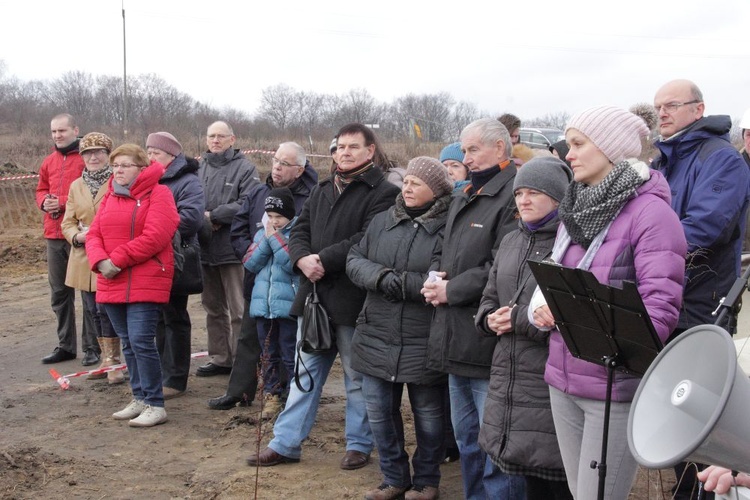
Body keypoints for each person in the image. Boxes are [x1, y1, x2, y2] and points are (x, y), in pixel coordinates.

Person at [529, 105, 687, 499]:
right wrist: (547, 306)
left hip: (612, 388)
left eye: (579, 144)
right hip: (562, 378)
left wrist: (596, 326)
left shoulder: (652, 215)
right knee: (577, 489)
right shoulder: (575, 208)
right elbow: (559, 276)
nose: (569, 154)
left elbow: (660, 310)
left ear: (610, 148)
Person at [246, 123, 399, 470]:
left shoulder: (384, 192)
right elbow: (300, 227)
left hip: (353, 301)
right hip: (314, 297)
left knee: (357, 379)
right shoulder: (323, 188)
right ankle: (285, 443)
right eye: (339, 147)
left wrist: (323, 261)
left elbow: (367, 239)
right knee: (304, 374)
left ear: (370, 150)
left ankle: (359, 444)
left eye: (352, 147)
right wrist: (300, 258)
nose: (343, 153)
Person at [651, 80, 750, 499]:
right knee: (667, 402)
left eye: (672, 105)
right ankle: (685, 485)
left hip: (700, 300)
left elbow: (705, 228)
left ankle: (706, 489)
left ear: (699, 109)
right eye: (658, 107)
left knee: (699, 405)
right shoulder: (661, 159)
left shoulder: (722, 159)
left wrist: (648, 257)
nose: (662, 113)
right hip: (660, 294)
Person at [421, 118, 523, 500]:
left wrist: (452, 290)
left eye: (472, 150)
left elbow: (504, 265)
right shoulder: (465, 193)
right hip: (453, 338)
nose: (465, 157)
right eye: (463, 150)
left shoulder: (515, 194)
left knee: (494, 442)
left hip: (485, 340)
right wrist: (435, 279)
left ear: (499, 148)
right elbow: (447, 251)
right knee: (467, 441)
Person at [347, 157, 453, 500]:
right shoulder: (382, 221)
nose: (407, 188)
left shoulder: (449, 227)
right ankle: (393, 477)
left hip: (424, 338)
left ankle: (426, 480)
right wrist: (380, 277)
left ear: (435, 192)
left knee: (429, 418)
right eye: (406, 181)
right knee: (379, 414)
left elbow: (441, 277)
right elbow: (354, 260)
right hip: (376, 333)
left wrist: (399, 283)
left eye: (416, 184)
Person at [475, 156, 573, 500]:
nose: (523, 200)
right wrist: (488, 319)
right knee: (527, 480)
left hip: (549, 379)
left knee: (557, 481)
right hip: (508, 378)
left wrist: (514, 320)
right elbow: (489, 296)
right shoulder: (511, 241)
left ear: (559, 198)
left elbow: (563, 317)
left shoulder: (571, 246)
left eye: (534, 192)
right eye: (519, 193)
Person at [209, 142, 317, 411]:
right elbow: (238, 227)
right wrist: (252, 252)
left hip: (292, 284)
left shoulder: (313, 198)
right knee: (250, 338)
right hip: (257, 279)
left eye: (285, 163)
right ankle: (240, 392)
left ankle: (288, 396)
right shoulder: (258, 192)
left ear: (300, 169)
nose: (277, 167)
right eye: (275, 161)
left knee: (288, 344)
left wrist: (281, 249)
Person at [86, 144, 179, 427]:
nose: (119, 170)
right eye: (116, 166)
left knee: (141, 341)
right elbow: (94, 233)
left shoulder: (159, 193)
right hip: (111, 279)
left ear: (142, 168)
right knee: (127, 343)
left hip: (144, 280)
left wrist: (117, 259)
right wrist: (100, 260)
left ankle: (154, 403)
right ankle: (139, 397)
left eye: (125, 165)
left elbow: (157, 235)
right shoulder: (110, 196)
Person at [196, 121, 260, 377]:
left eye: (221, 136)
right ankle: (221, 358)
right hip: (204, 247)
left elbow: (248, 202)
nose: (216, 140)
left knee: (238, 309)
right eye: (211, 136)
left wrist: (214, 216)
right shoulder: (199, 167)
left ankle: (242, 361)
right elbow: (190, 200)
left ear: (232, 139)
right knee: (213, 307)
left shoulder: (245, 168)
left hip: (232, 249)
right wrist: (201, 219)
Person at [61, 132, 124, 385]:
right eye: (87, 152)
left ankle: (117, 363)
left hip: (110, 254)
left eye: (99, 151)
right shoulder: (76, 185)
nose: (93, 156)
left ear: (108, 155)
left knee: (108, 309)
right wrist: (77, 236)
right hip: (83, 257)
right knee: (92, 310)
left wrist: (98, 232)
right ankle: (105, 359)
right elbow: (68, 222)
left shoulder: (118, 181)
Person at [146, 132, 205, 400]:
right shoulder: (149, 179)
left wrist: (155, 228)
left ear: (171, 155)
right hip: (150, 256)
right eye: (148, 152)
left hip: (176, 258)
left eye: (155, 152)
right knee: (156, 318)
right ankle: (159, 372)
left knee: (175, 317)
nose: (150, 157)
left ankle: (175, 378)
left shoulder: (188, 182)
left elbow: (191, 219)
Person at [37, 113, 93, 365]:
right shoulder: (48, 161)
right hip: (54, 233)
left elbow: (90, 193)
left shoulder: (86, 159)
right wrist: (43, 203)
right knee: (59, 293)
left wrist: (59, 202)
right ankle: (66, 345)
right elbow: (41, 188)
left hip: (81, 234)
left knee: (88, 292)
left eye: (62, 131)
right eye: (54, 132)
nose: (58, 135)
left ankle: (93, 347)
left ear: (75, 130)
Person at [242, 187, 299, 421]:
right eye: (271, 217)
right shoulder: (261, 234)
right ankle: (272, 396)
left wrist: (273, 238)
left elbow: (290, 262)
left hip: (287, 309)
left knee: (290, 354)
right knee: (268, 355)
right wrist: (267, 239)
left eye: (279, 217)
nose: (274, 222)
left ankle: (295, 398)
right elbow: (250, 263)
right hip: (263, 308)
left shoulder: (296, 234)